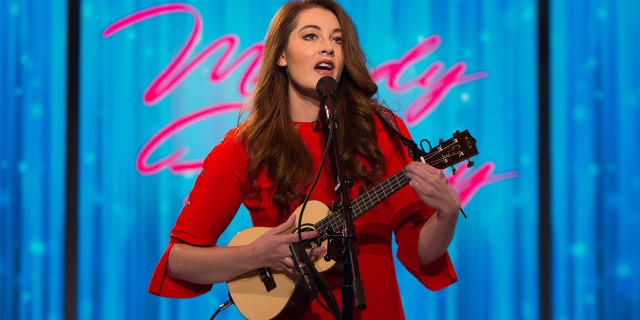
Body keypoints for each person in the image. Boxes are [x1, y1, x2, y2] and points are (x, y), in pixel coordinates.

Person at [149, 0, 461, 318]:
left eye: (337, 39)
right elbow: (179, 260)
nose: (327, 48)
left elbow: (420, 250)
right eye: (311, 36)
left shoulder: (380, 130)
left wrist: (447, 215)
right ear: (281, 55)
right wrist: (255, 255)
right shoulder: (245, 146)